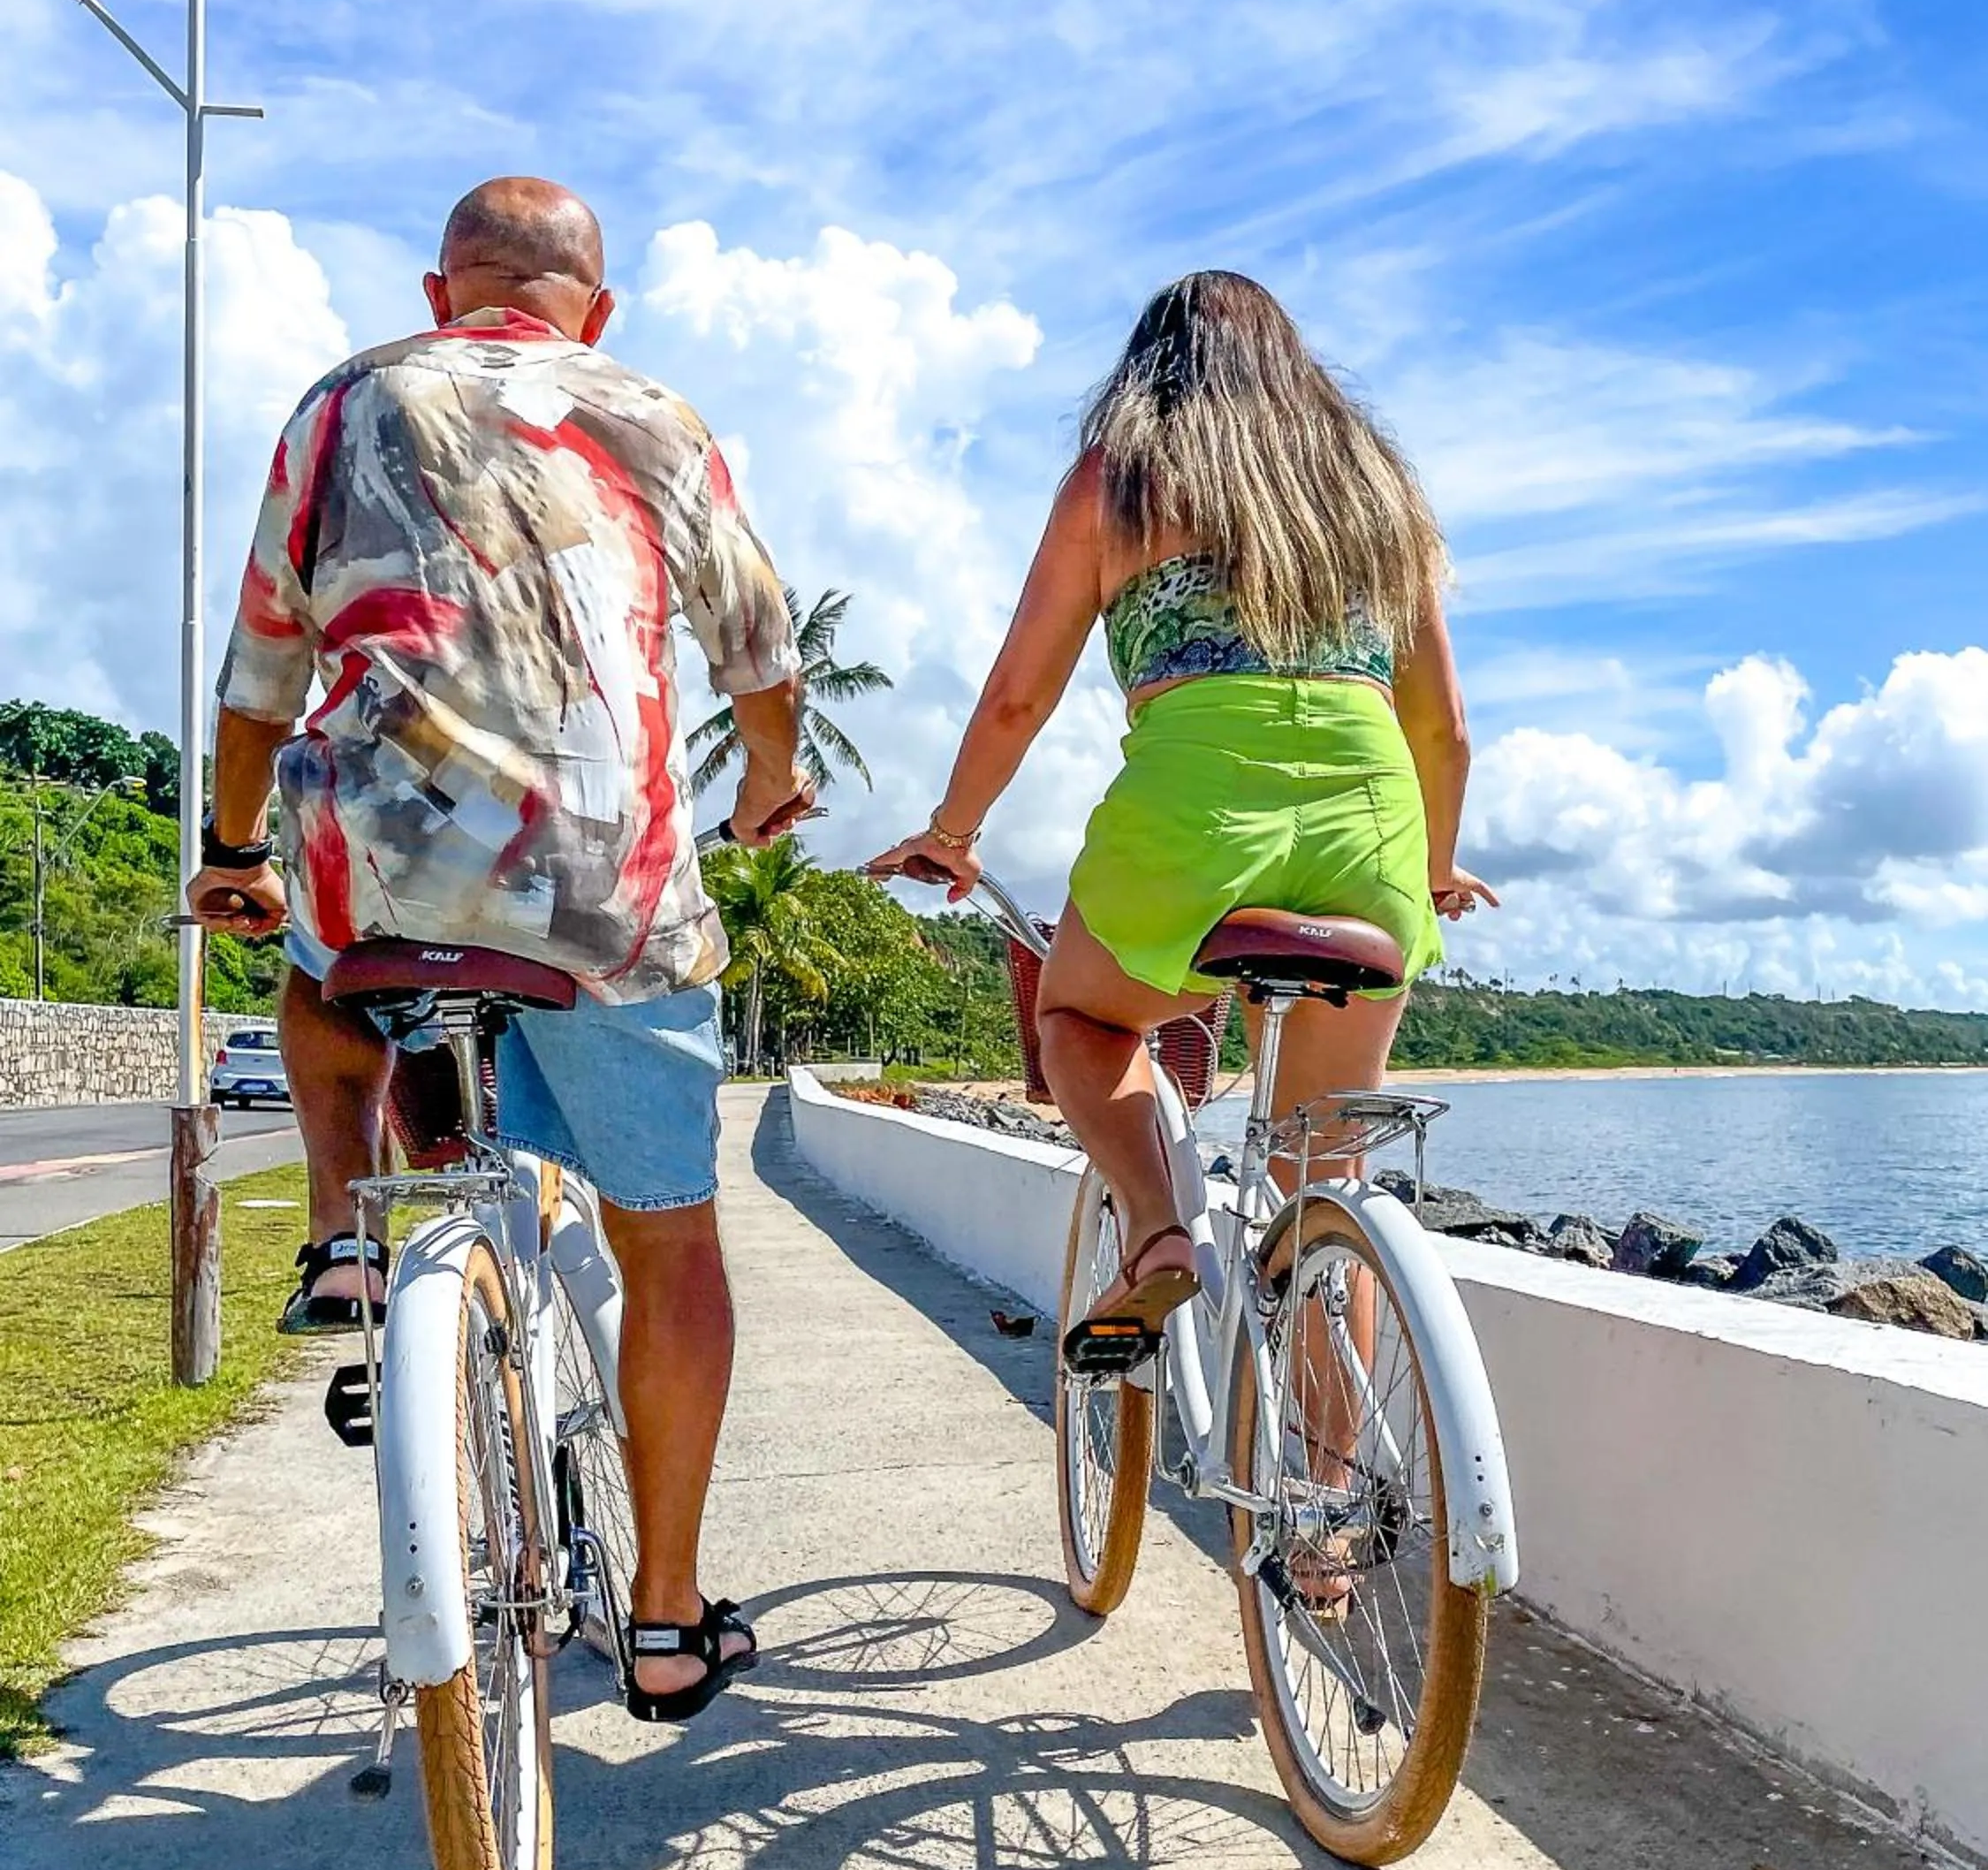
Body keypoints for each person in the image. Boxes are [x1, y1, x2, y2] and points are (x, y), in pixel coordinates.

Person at [186, 175, 809, 1720]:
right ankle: (664, 1621)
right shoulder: (658, 414)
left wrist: (229, 852)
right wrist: (778, 783)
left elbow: (261, 679)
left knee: (313, 950)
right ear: (591, 306)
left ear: (439, 286)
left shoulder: (342, 402)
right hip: (612, 896)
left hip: (385, 876)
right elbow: (764, 652)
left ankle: (344, 1228)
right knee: (669, 1243)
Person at [869, 269, 1495, 1363]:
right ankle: (1330, 1522)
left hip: (1198, 815)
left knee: (1081, 1021)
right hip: (1372, 829)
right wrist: (1436, 868)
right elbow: (1443, 729)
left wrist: (955, 832)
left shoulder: (1122, 479)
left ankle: (1161, 1231)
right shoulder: (1375, 492)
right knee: (1322, 1178)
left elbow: (1021, 695)